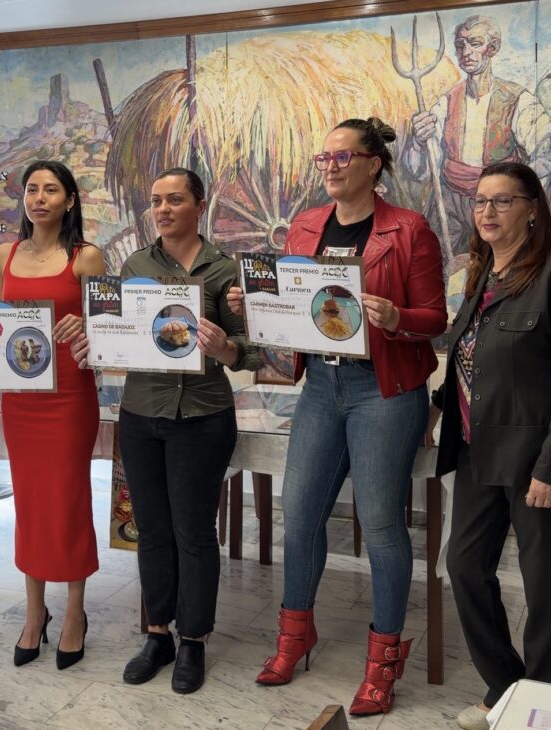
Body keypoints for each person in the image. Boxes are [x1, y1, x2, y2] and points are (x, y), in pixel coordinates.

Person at [228, 117, 447, 715]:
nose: (329, 166)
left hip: (385, 388)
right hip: (321, 386)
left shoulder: (409, 229)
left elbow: (435, 317)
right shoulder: (304, 227)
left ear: (373, 164)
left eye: (342, 156)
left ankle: (383, 664)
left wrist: (397, 317)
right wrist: (255, 302)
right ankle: (294, 638)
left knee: (381, 525)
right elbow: (293, 308)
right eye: (323, 157)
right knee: (299, 516)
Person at [71, 167, 260, 694]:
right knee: (151, 530)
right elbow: (121, 334)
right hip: (141, 413)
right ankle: (158, 635)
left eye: (174, 200)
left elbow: (249, 352)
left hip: (202, 416)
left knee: (193, 532)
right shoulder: (135, 265)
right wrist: (94, 340)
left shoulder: (224, 269)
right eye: (156, 201)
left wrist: (224, 347)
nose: (162, 209)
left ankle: (193, 639)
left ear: (199, 205)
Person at [429, 162, 551, 730]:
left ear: (532, 209)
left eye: (503, 201)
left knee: (543, 584)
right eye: (480, 201)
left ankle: (540, 700)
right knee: (463, 565)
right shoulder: (481, 276)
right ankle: (506, 685)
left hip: (532, 460)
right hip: (477, 452)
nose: (488, 212)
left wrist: (549, 466)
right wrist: (435, 407)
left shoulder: (546, 276)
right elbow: (469, 358)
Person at [0, 160, 105, 670]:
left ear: (70, 200)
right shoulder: (5, 254)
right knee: (30, 503)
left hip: (69, 399)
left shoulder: (87, 257)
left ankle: (75, 613)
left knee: (68, 501)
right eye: (32, 189)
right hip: (20, 399)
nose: (39, 198)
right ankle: (35, 613)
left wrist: (85, 326)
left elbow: (110, 328)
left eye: (51, 190)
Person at [404, 15, 551, 257]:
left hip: (499, 206)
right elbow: (421, 172)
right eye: (460, 45)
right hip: (449, 204)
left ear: (492, 48)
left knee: (502, 265)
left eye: (475, 43)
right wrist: (419, 143)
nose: (466, 52)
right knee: (435, 261)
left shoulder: (517, 100)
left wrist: (516, 190)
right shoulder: (446, 102)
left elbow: (546, 147)